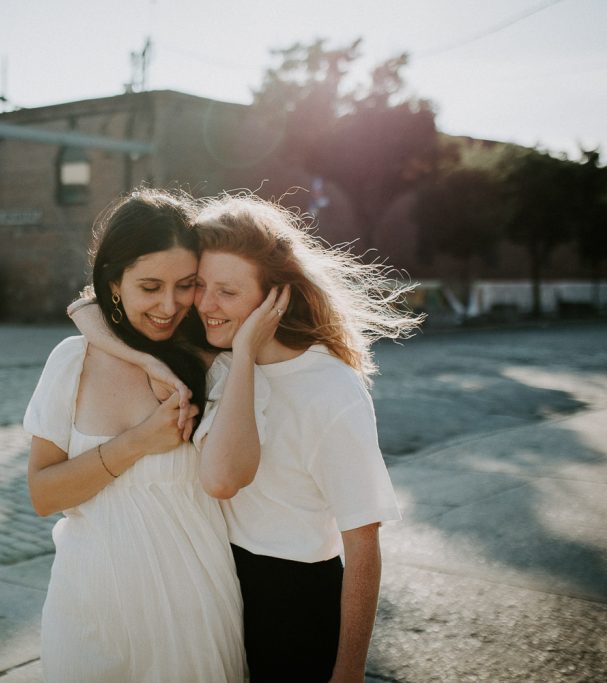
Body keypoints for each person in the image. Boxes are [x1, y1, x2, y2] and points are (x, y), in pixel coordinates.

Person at [70, 191, 421, 682]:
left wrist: (349, 672)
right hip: (219, 584)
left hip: (294, 599)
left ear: (275, 295)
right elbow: (87, 308)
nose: (206, 306)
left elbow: (363, 543)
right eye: (202, 286)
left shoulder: (329, 389)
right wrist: (147, 359)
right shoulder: (219, 358)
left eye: (228, 293)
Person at [23, 189, 248, 682]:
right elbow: (43, 494)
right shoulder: (71, 361)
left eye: (186, 285)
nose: (170, 305)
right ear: (115, 282)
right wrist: (139, 441)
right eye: (150, 286)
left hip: (192, 605)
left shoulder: (217, 367)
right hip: (89, 606)